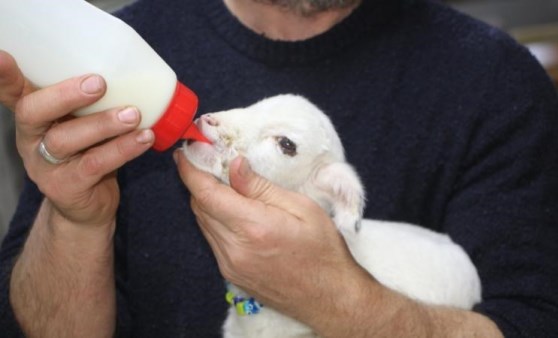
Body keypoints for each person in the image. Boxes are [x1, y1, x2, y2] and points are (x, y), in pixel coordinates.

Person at [1, 0, 557, 336]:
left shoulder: (493, 80)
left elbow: (534, 322)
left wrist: (338, 300)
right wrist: (75, 222)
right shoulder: (110, 65)